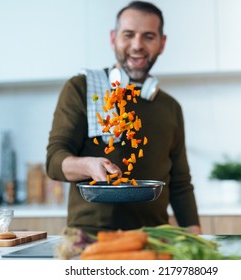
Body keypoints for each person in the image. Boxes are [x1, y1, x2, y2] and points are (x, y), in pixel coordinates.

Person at [46, 1, 201, 235]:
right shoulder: (81, 88)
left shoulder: (170, 107)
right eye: (128, 35)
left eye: (148, 36)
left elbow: (180, 183)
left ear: (162, 43)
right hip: (89, 237)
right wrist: (87, 165)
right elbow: (54, 162)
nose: (137, 45)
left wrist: (196, 237)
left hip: (154, 236)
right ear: (113, 38)